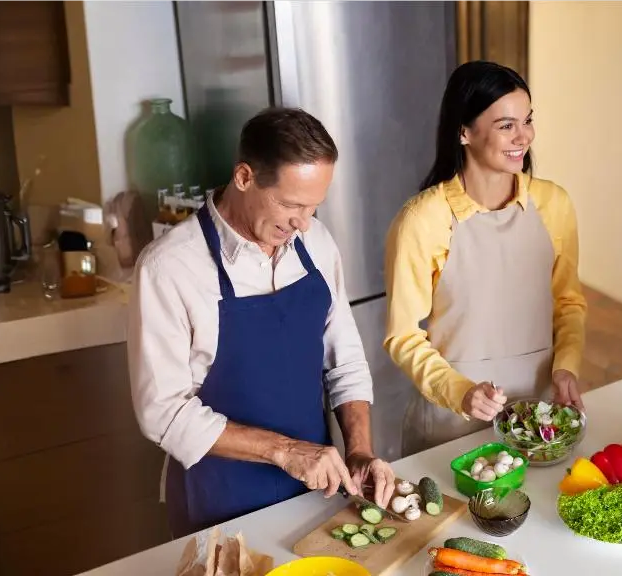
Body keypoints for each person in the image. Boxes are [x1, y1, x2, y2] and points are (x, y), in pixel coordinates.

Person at [129, 107, 395, 536]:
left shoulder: (316, 242)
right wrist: (286, 451)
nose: (302, 223)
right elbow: (162, 412)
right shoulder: (170, 267)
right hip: (218, 502)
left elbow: (343, 359)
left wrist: (359, 450)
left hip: (315, 492)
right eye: (290, 204)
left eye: (313, 207)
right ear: (244, 177)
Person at [383, 60, 587, 456]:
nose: (523, 136)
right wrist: (459, 393)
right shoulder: (423, 219)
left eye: (526, 120)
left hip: (539, 415)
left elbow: (568, 302)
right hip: (451, 424)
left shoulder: (554, 204)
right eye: (505, 125)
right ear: (464, 131)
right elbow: (402, 335)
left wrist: (566, 367)